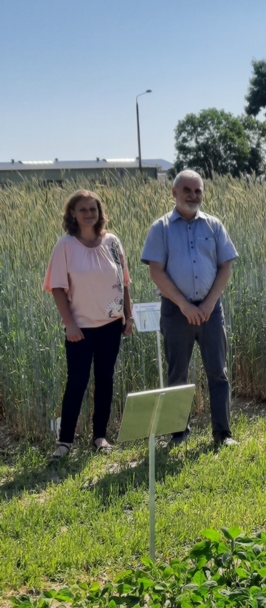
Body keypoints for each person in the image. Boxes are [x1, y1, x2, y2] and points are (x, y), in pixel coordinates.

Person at [141, 169, 239, 447]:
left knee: (218, 371)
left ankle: (223, 434)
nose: (193, 196)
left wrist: (208, 304)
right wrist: (184, 306)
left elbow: (225, 266)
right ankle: (178, 433)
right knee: (177, 374)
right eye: (187, 190)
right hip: (175, 311)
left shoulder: (214, 225)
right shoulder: (160, 228)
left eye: (198, 191)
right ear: (174, 193)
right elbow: (157, 272)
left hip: (210, 310)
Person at [44, 189, 133, 458]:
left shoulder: (113, 242)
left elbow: (125, 281)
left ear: (100, 212)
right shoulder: (65, 246)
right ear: (72, 213)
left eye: (93, 209)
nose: (88, 214)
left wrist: (128, 315)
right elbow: (57, 287)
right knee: (77, 382)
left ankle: (100, 437)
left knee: (105, 380)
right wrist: (68, 323)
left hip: (111, 325)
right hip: (79, 329)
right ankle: (65, 442)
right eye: (82, 209)